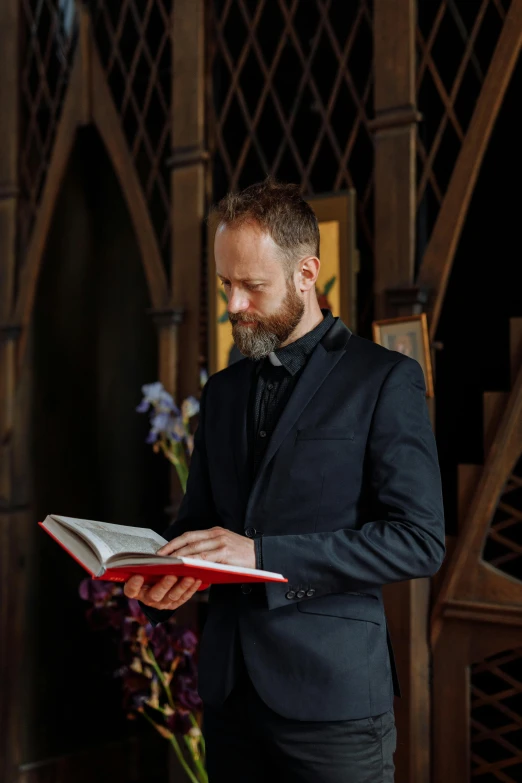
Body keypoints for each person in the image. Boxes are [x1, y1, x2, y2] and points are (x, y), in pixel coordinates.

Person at [124, 179, 445, 782]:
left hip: (334, 705)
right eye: (226, 285)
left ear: (307, 273)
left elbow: (419, 539)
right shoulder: (221, 392)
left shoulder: (385, 380)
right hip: (227, 697)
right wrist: (166, 570)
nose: (234, 306)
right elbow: (200, 522)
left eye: (252, 286)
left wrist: (261, 555)